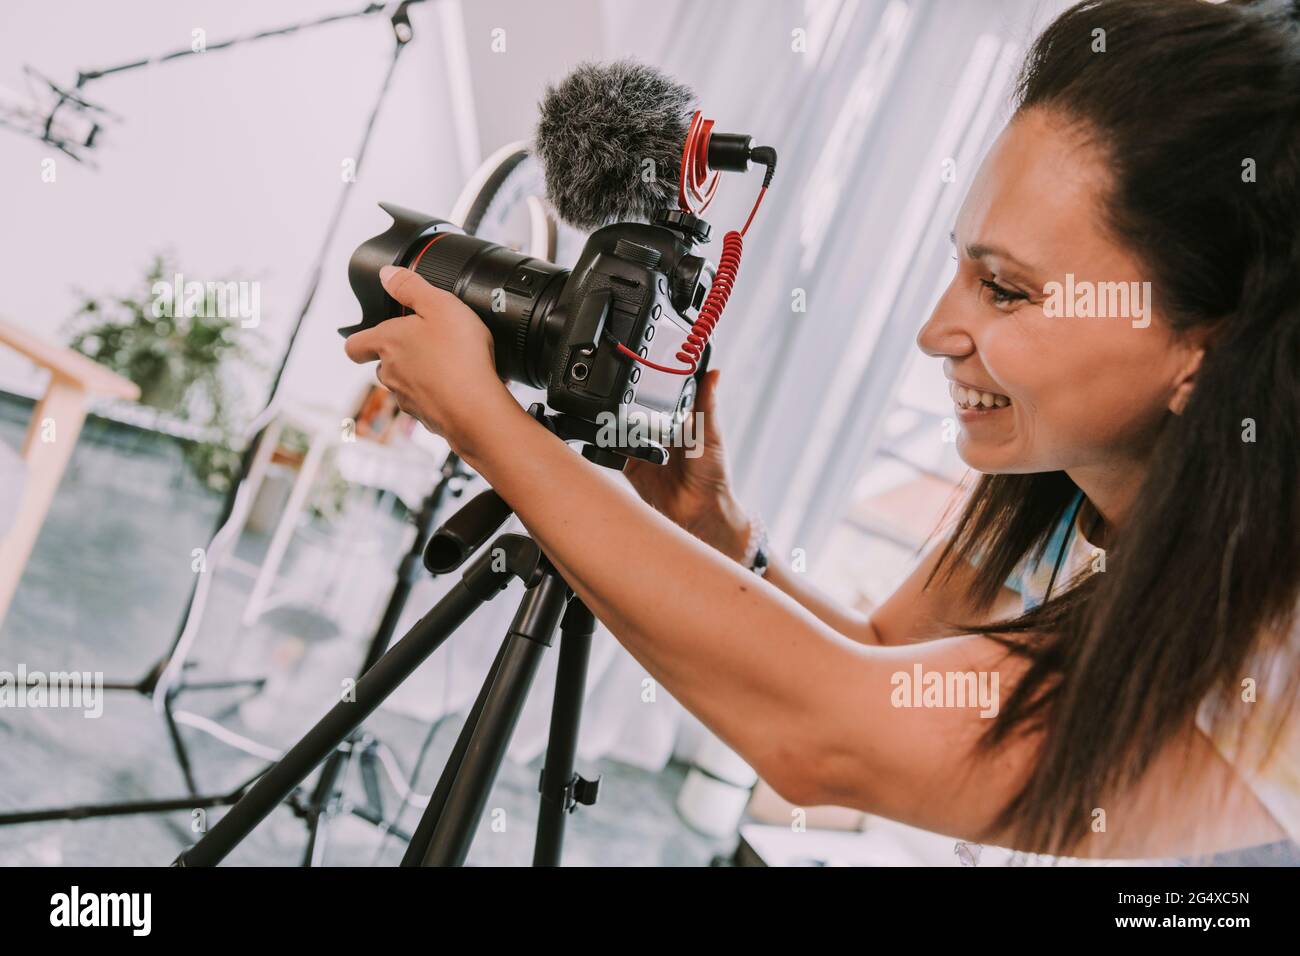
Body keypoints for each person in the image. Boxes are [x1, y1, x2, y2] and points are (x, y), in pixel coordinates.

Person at [345, 0, 1299, 859]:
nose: (935, 331)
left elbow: (829, 734)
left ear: (1207, 349)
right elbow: (884, 654)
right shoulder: (1067, 488)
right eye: (962, 267)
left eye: (1006, 289)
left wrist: (491, 430)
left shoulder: (1274, 658)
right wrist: (724, 537)